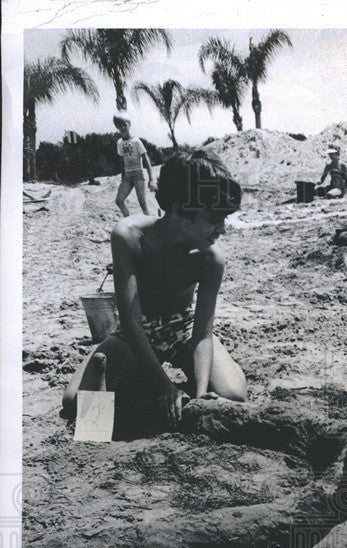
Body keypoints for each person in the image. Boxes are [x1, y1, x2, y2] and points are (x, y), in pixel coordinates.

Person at [64, 148, 248, 428]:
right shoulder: (130, 237)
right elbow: (131, 322)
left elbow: (202, 335)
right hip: (137, 331)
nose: (223, 229)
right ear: (181, 210)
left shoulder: (210, 260)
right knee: (74, 402)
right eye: (214, 220)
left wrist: (198, 397)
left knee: (233, 395)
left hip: (183, 330)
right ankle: (141, 381)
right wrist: (165, 386)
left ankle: (139, 390)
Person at [113, 113, 155, 217]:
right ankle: (128, 219)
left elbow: (146, 158)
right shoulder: (119, 143)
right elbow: (122, 161)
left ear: (129, 125)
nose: (122, 127)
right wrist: (123, 178)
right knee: (119, 201)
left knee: (142, 203)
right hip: (127, 177)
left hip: (138, 175)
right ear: (117, 127)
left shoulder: (136, 141)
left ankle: (149, 223)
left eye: (124, 124)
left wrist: (151, 178)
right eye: (119, 125)